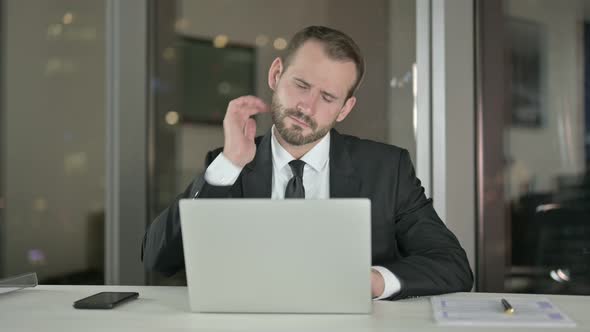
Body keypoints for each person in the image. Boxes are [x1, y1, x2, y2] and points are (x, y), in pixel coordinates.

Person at [142, 25, 473, 300]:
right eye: (301, 85)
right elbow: (158, 258)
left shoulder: (388, 169)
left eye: (328, 98)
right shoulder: (227, 164)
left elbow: (452, 266)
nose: (307, 107)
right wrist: (229, 164)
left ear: (344, 109)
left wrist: (373, 281)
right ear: (276, 74)